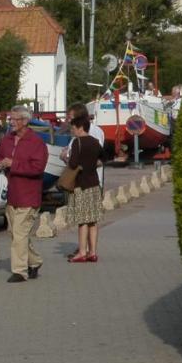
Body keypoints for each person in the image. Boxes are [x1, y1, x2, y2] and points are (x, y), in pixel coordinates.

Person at [0, 105, 48, 283]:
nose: (11, 123)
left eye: (14, 119)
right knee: (14, 233)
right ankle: (35, 261)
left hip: (29, 195)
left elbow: (37, 168)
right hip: (11, 194)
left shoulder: (36, 143)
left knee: (19, 232)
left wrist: (13, 164)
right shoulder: (7, 140)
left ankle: (19, 271)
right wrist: (0, 163)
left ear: (25, 121)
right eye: (10, 119)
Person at [65, 112, 103, 262]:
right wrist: (92, 164)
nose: (72, 131)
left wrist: (67, 158)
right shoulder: (95, 142)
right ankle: (92, 252)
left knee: (83, 220)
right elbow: (103, 158)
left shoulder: (77, 142)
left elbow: (73, 163)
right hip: (94, 183)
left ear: (80, 128)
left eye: (73, 128)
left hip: (81, 184)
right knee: (93, 220)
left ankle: (81, 252)